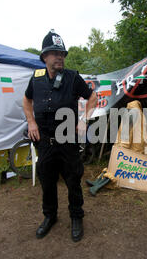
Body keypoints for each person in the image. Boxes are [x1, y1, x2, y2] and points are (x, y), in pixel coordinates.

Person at [23, 30, 97, 242]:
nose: (59, 57)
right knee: (47, 181)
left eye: (62, 53)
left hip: (67, 141)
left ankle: (76, 216)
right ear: (44, 57)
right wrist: (31, 122)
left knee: (73, 180)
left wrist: (84, 119)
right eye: (55, 53)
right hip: (45, 142)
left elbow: (92, 97)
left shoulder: (73, 78)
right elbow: (26, 101)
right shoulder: (36, 79)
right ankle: (50, 216)